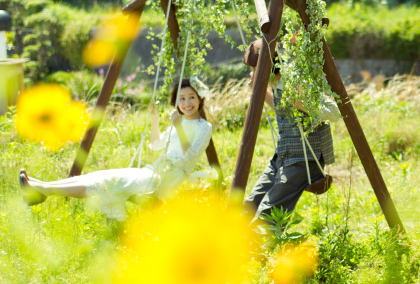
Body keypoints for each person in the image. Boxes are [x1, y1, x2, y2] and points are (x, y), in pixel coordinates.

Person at [19, 78, 213, 220]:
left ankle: (43, 189)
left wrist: (178, 126)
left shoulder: (204, 127)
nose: (187, 103)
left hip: (162, 182)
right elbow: (156, 146)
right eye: (182, 99)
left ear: (200, 99)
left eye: (191, 98)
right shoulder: (175, 123)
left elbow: (190, 157)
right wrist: (155, 120)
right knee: (98, 175)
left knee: (106, 182)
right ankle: (42, 186)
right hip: (152, 171)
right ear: (176, 102)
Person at [244, 56, 339, 224]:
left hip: (305, 159)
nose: (252, 76)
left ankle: (255, 248)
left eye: (253, 71)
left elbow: (334, 112)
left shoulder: (296, 83)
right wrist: (259, 92)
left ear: (268, 68)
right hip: (283, 156)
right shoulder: (275, 85)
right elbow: (283, 110)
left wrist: (303, 104)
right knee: (250, 204)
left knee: (268, 212)